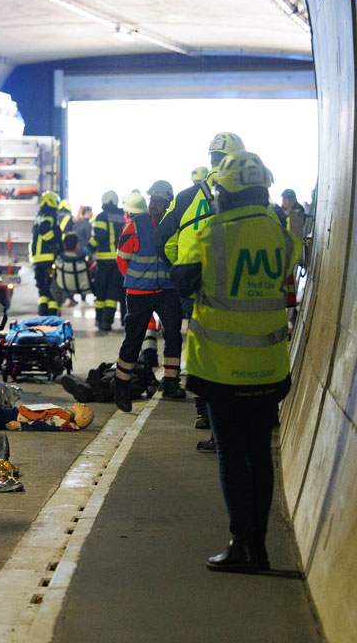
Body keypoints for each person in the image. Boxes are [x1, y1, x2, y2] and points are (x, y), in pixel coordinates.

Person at [170, 151, 300, 572]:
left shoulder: (208, 233)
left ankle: (242, 543)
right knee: (260, 453)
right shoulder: (282, 236)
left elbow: (184, 280)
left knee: (231, 452)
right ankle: (258, 544)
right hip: (269, 365)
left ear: (228, 193)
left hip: (221, 368)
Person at [157, 132, 245, 433]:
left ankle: (204, 413)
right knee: (234, 347)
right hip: (235, 287)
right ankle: (231, 412)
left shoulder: (186, 197)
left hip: (195, 287)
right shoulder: (247, 196)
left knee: (202, 349)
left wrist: (181, 272)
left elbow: (162, 242)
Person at [112, 184, 185, 411]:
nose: (153, 206)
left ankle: (171, 381)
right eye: (151, 201)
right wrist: (136, 279)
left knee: (173, 335)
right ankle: (120, 387)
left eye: (158, 202)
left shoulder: (174, 225)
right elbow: (122, 257)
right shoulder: (136, 224)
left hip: (166, 290)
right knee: (133, 339)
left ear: (168, 204)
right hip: (139, 292)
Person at [89, 190, 126, 331]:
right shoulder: (121, 217)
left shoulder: (102, 216)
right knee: (112, 291)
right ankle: (107, 322)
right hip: (118, 260)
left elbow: (99, 236)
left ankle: (99, 319)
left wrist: (87, 250)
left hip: (104, 260)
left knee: (101, 291)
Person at [0, 402, 95, 432]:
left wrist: (22, 426)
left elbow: (43, 426)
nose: (83, 404)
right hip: (19, 412)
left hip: (19, 417)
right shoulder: (64, 413)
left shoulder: (63, 419)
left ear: (82, 417)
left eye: (86, 408)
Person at [30, 191, 61, 316]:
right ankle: (52, 316)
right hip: (48, 258)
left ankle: (42, 315)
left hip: (37, 259)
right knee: (51, 288)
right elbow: (46, 231)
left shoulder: (40, 215)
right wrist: (55, 244)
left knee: (43, 291)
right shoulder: (49, 215)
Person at [53, 232, 92, 307]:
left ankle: (68, 299)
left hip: (63, 286)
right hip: (83, 288)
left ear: (64, 245)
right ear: (77, 245)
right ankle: (83, 300)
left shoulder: (59, 262)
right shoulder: (83, 262)